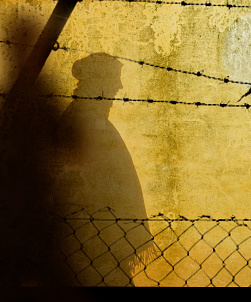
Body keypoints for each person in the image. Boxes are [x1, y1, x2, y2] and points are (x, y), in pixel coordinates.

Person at [53, 53, 156, 286]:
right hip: (93, 245)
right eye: (113, 80)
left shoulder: (82, 120)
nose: (119, 86)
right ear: (98, 83)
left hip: (96, 244)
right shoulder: (88, 125)